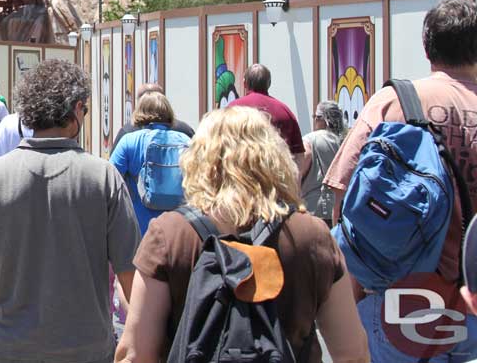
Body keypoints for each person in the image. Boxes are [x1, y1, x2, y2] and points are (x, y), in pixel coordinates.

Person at [114, 106, 368, 363]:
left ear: (197, 162)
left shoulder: (169, 235)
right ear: (274, 160)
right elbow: (352, 353)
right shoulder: (312, 237)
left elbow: (135, 354)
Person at [0, 59, 139, 363]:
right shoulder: (103, 176)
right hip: (86, 347)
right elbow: (130, 273)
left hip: (11, 347)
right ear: (77, 109)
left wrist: (2, 271)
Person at [325, 0, 477, 361]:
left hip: (403, 307)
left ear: (428, 48)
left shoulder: (396, 102)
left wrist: (358, 293)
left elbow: (344, 201)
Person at [110, 91, 189, 234]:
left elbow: (110, 179)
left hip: (140, 225)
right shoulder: (185, 141)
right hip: (178, 224)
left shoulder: (129, 141)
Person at [228, 64, 305, 168]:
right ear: (269, 83)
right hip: (275, 178)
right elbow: (298, 154)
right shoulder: (285, 111)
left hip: (240, 177)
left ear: (244, 83)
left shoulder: (232, 109)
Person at [299, 100, 345, 226]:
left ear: (322, 119)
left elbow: (302, 164)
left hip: (312, 207)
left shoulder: (310, 139)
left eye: (316, 117)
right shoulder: (343, 141)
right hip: (337, 209)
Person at [113, 83, 195, 152]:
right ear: (164, 101)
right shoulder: (184, 131)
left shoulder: (128, 133)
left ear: (139, 103)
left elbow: (113, 168)